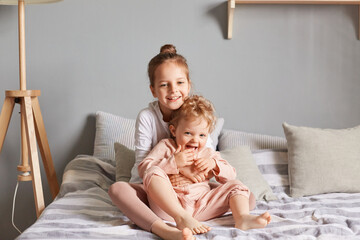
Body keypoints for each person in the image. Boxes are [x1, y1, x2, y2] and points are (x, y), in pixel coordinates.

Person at [109, 44, 214, 240]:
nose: (174, 90)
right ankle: (163, 229)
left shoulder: (197, 113)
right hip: (153, 188)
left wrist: (201, 168)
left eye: (180, 83)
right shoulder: (147, 117)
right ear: (153, 90)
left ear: (189, 85)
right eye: (165, 85)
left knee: (244, 194)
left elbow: (208, 154)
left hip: (190, 189)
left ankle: (188, 214)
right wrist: (179, 167)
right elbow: (143, 166)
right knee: (117, 189)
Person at [138, 95, 271, 232]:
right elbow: (143, 170)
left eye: (202, 135)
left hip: (202, 206)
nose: (195, 140)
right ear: (173, 130)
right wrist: (174, 163)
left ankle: (242, 218)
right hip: (170, 208)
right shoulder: (167, 146)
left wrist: (214, 164)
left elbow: (231, 175)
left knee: (237, 185)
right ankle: (182, 217)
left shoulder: (208, 154)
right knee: (152, 172)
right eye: (188, 133)